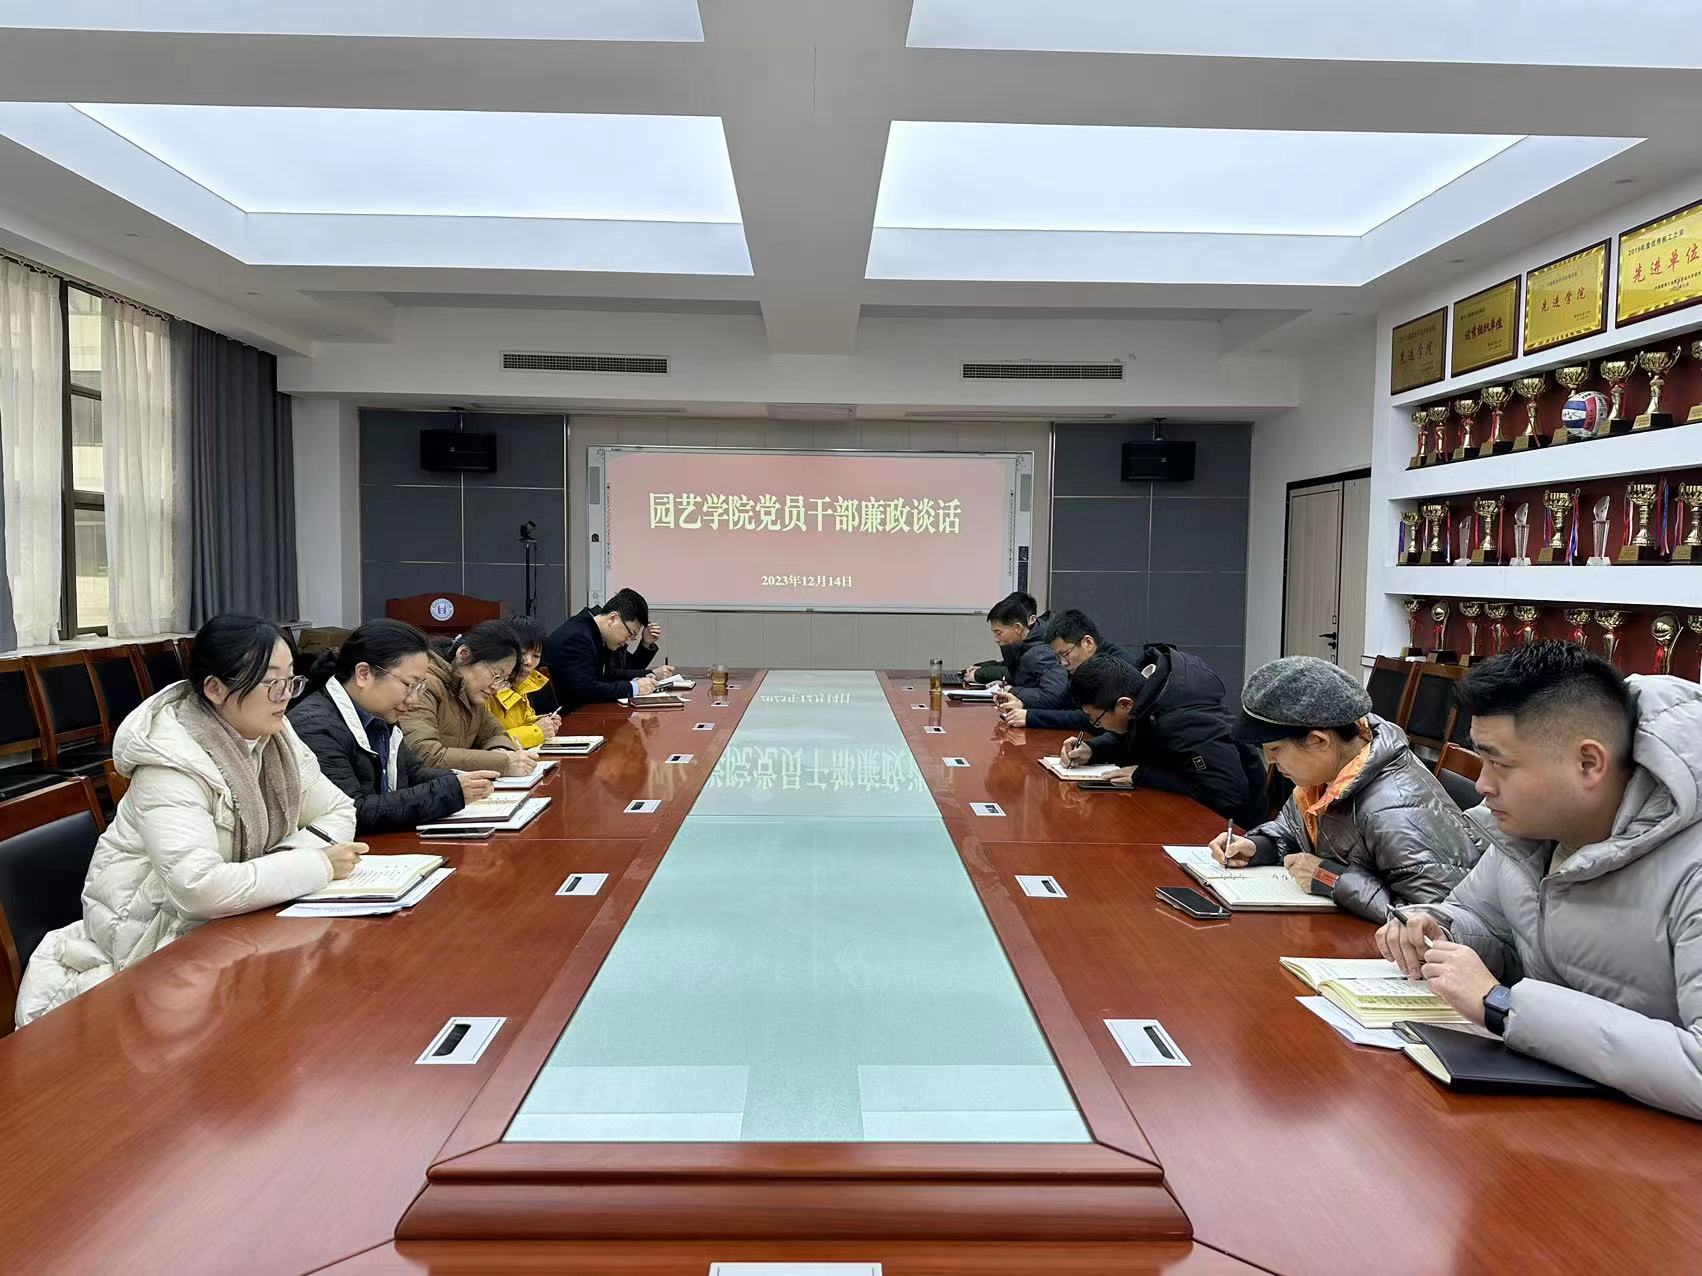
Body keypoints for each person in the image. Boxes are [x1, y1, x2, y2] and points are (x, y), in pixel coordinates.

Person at [1375, 642, 1702, 1120]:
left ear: (1588, 764)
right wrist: (1437, 929)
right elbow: (1483, 918)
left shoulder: (1692, 869)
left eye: (1501, 764)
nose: (1482, 785)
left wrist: (1502, 1005)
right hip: (1548, 1106)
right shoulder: (1530, 833)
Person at [15, 614, 362, 1027]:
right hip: (149, 936)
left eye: (291, 680)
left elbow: (340, 810)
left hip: (229, 920)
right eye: (272, 683)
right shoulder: (171, 762)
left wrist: (283, 863)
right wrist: (315, 865)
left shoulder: (276, 737)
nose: (285, 696)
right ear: (215, 689)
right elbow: (199, 888)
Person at [1209, 655, 1486, 921]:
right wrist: (1257, 847)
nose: (1269, 760)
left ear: (1319, 741)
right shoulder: (1328, 771)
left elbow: (1436, 920)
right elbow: (1294, 831)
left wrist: (1329, 878)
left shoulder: (1398, 811)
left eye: (1275, 749)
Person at [289, 619, 500, 834]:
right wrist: (451, 791)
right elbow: (353, 811)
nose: (414, 700)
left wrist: (463, 781)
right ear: (364, 674)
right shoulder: (315, 726)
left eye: (419, 687)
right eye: (409, 685)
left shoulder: (379, 714)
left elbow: (412, 773)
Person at [1061, 650, 1266, 827]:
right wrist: (1093, 749)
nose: (1097, 725)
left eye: (1096, 719)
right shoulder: (1149, 700)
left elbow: (1228, 796)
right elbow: (1135, 739)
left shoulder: (1186, 723)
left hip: (1232, 829)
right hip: (1188, 814)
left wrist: (1146, 775)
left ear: (1125, 704)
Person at [399, 620, 537, 776]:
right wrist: (502, 762)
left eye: (503, 680)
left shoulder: (472, 692)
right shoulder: (424, 686)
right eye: (495, 675)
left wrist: (500, 750)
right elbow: (424, 754)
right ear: (464, 654)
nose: (495, 687)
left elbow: (495, 734)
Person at [545, 588, 675, 713]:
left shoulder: (598, 633)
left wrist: (644, 675)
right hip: (566, 717)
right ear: (613, 618)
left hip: (587, 711)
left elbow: (616, 671)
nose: (628, 641)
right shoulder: (578, 637)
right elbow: (585, 689)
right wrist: (634, 687)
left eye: (633, 637)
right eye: (630, 634)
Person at [997, 609, 1131, 729]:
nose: (1062, 663)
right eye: (1059, 656)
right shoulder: (1084, 666)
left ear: (1088, 643)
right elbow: (1063, 701)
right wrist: (1022, 704)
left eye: (1065, 654)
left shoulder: (1116, 666)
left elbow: (1093, 718)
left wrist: (1031, 717)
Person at [486, 614, 562, 749]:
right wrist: (537, 731)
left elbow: (520, 721)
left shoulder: (520, 684)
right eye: (522, 654)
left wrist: (542, 722)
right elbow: (486, 742)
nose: (529, 662)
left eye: (536, 655)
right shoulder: (485, 687)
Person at [980, 594, 1068, 709]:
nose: (996, 639)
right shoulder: (1021, 644)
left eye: (999, 632)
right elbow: (1030, 679)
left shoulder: (1042, 652)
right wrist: (1008, 684)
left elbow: (1054, 696)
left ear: (1017, 628)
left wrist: (1013, 690)